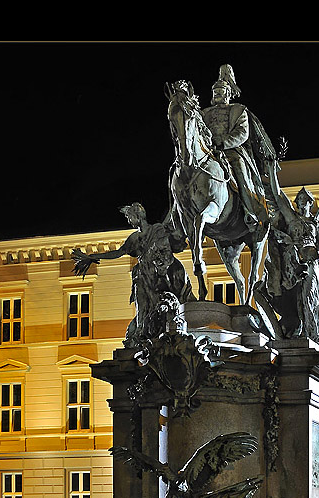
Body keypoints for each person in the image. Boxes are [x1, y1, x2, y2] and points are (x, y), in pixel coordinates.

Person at [72, 203, 193, 344]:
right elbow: (118, 253)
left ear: (138, 216)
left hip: (158, 274)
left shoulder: (157, 229)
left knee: (162, 306)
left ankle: (159, 333)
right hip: (142, 276)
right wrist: (94, 256)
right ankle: (140, 335)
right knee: (142, 306)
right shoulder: (134, 238)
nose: (129, 221)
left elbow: (167, 244)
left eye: (130, 217)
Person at [200, 64, 274, 232]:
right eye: (215, 92)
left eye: (221, 92)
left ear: (228, 94)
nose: (217, 94)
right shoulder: (205, 113)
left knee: (239, 171)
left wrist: (222, 142)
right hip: (209, 153)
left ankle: (250, 211)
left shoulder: (238, 110)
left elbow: (242, 133)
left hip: (231, 152)